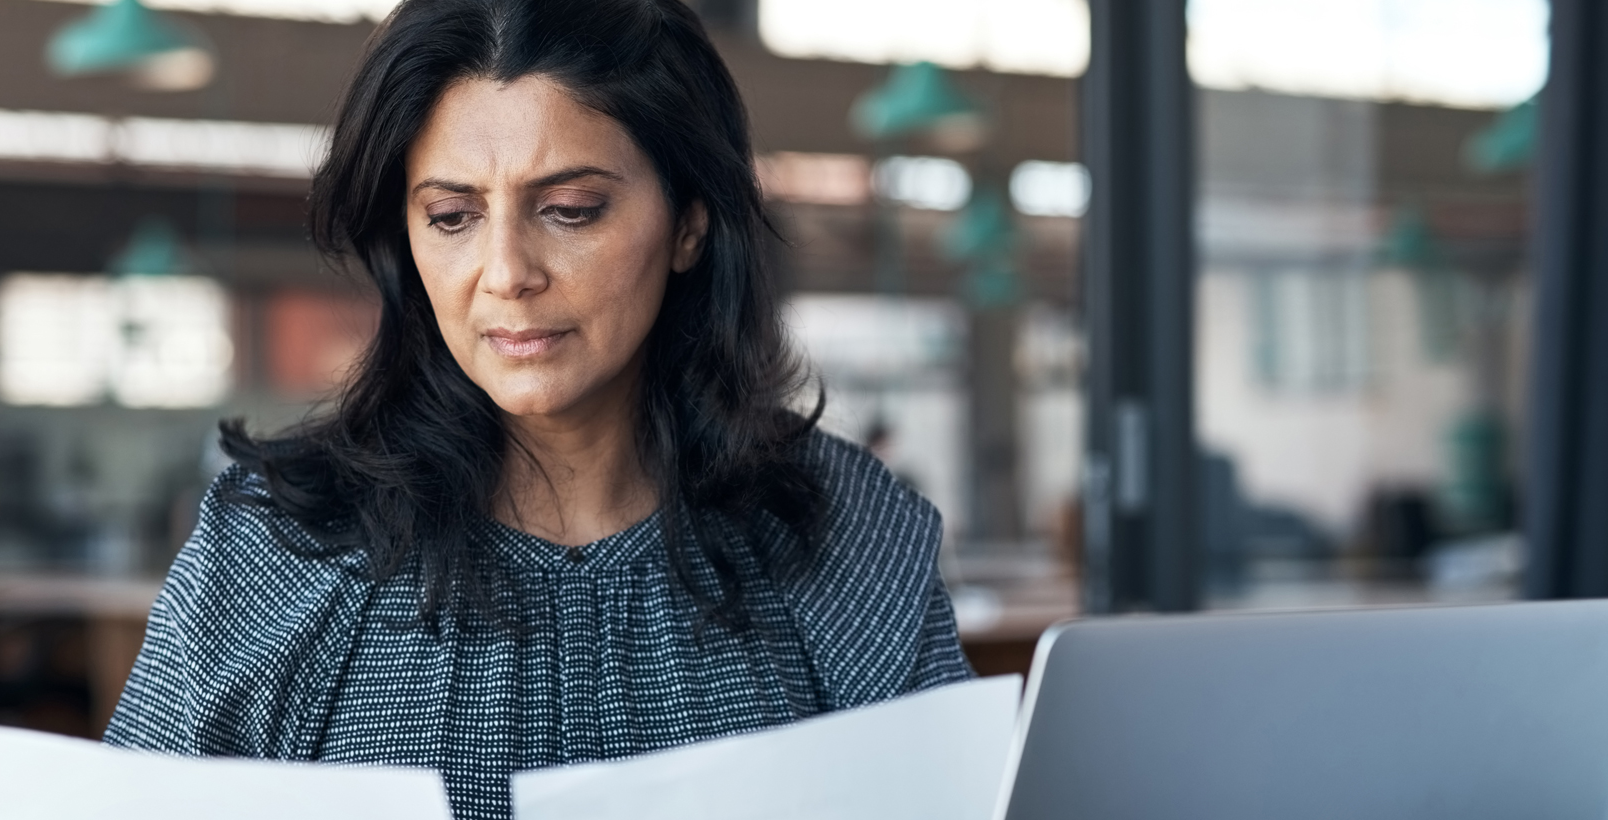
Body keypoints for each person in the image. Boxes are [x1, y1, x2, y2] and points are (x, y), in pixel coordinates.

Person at [102, 1, 973, 817]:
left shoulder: (843, 534)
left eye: (570, 210)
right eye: (451, 217)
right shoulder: (275, 551)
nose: (507, 272)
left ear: (690, 224)